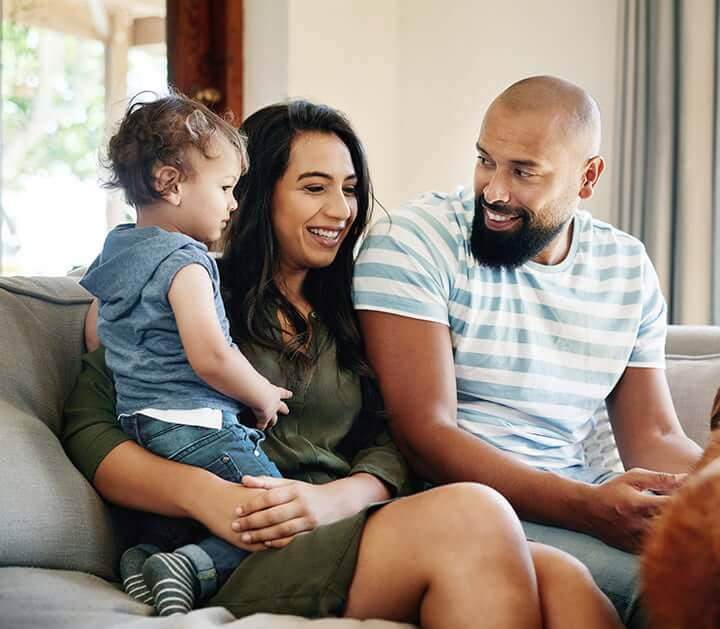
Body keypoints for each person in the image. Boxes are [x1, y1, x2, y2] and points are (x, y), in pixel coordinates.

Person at [64, 99, 623, 629]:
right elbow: (92, 429)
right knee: (475, 514)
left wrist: (338, 497)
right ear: (256, 192)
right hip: (236, 546)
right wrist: (209, 498)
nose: (341, 210)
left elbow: (392, 436)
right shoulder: (186, 288)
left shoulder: (353, 306)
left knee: (566, 580)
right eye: (314, 187)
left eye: (350, 189)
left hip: (341, 522)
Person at [353, 75, 703, 628]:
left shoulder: (626, 267)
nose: (493, 190)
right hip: (465, 508)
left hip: (580, 498)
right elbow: (425, 438)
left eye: (523, 171)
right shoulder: (413, 240)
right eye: (485, 160)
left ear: (588, 178)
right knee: (676, 590)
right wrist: (587, 510)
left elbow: (653, 437)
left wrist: (705, 486)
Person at [79, 93, 293, 616]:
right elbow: (211, 357)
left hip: (137, 423)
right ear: (170, 183)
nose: (234, 204)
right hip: (196, 422)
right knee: (281, 510)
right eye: (224, 188)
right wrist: (261, 393)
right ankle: (194, 565)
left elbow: (96, 338)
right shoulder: (186, 262)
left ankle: (147, 557)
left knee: (195, 519)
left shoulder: (120, 251)